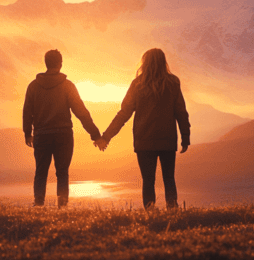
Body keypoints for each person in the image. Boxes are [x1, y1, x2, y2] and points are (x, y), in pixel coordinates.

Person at [95, 48, 190, 209]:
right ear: (163, 62)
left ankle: (150, 211)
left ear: (145, 63)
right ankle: (173, 209)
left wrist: (106, 136)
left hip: (144, 140)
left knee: (148, 180)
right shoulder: (173, 83)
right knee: (169, 178)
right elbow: (181, 112)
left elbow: (124, 114)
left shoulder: (137, 85)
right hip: (167, 139)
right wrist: (185, 136)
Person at [22, 49, 101, 207]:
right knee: (62, 172)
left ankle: (38, 204)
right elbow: (81, 112)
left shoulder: (33, 86)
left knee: (41, 171)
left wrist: (27, 134)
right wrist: (96, 135)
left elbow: (27, 112)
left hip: (41, 135)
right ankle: (62, 206)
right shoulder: (67, 86)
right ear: (60, 63)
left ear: (46, 63)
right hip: (63, 135)